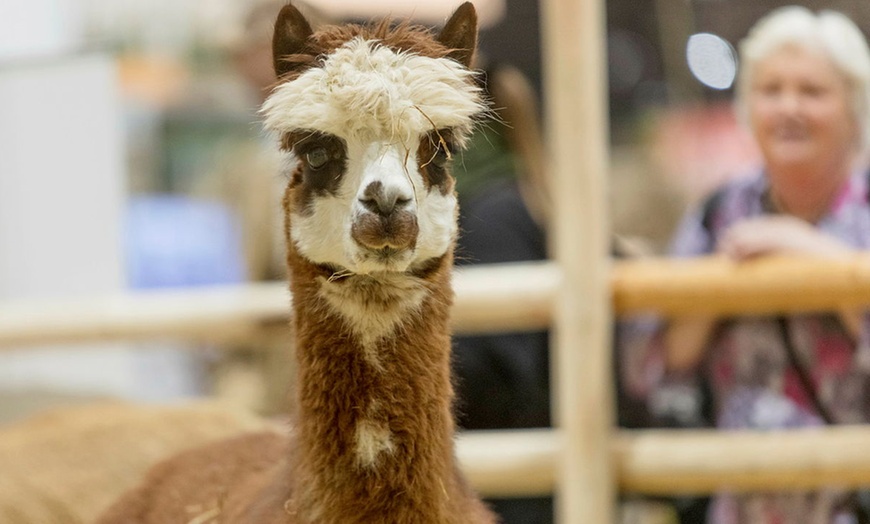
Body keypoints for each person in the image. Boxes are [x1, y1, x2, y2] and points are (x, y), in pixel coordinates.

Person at [621, 6, 870, 523]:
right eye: (771, 89)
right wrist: (722, 285)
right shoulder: (718, 213)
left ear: (854, 108)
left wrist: (812, 256)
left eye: (812, 91)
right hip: (740, 502)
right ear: (747, 107)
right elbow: (656, 365)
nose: (788, 107)